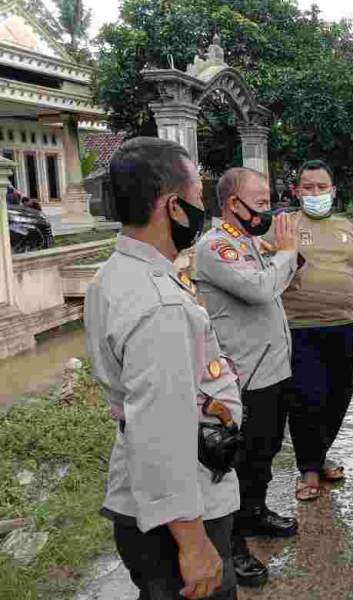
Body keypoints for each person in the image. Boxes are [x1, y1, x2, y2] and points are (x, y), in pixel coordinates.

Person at [84, 138, 240, 599]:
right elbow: (161, 427)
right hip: (180, 513)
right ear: (173, 207)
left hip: (146, 496)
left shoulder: (114, 275)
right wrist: (193, 544)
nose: (201, 209)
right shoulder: (160, 305)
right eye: (196, 198)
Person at [194, 168, 301, 588]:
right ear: (231, 204)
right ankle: (231, 544)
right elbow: (259, 289)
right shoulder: (216, 246)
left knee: (266, 451)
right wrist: (287, 253)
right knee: (237, 463)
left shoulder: (252, 242)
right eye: (258, 202)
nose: (266, 209)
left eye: (267, 200)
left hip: (272, 368)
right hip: (243, 378)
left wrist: (287, 257)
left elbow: (280, 285)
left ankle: (254, 514)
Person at [282, 159, 353, 502]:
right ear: (296, 192)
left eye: (321, 187)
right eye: (307, 187)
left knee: (339, 396)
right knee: (307, 398)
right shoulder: (285, 226)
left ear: (333, 190)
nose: (315, 193)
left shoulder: (348, 229)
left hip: (343, 327)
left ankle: (319, 455)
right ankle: (308, 469)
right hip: (299, 328)